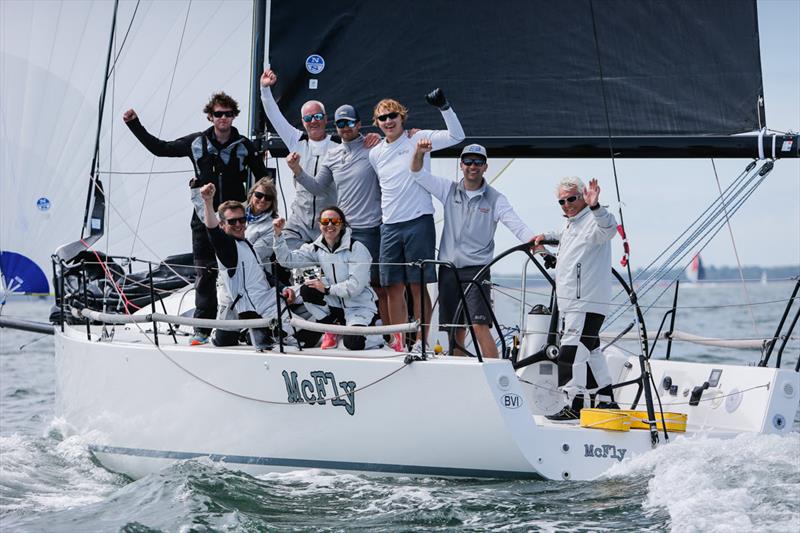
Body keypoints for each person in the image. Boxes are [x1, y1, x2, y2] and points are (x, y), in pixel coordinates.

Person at [122, 92, 267, 346]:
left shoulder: (245, 146)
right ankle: (202, 326)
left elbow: (264, 178)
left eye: (228, 114)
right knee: (205, 272)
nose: (223, 118)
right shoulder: (197, 142)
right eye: (218, 114)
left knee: (238, 271)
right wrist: (134, 124)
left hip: (233, 223)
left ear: (234, 116)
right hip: (204, 218)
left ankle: (242, 319)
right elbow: (161, 148)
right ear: (210, 117)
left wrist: (259, 208)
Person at [411, 140, 535, 358]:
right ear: (461, 165)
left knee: (479, 327)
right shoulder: (448, 189)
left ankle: (496, 375)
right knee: (453, 329)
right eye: (468, 161)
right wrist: (419, 152)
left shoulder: (496, 199)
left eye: (478, 162)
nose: (473, 166)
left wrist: (535, 242)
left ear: (485, 166)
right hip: (448, 269)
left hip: (477, 270)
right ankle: (458, 377)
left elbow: (516, 224)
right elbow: (418, 174)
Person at [369, 89, 465, 352]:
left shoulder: (419, 138)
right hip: (389, 225)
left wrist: (444, 107)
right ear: (376, 123)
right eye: (382, 118)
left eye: (392, 116)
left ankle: (422, 341)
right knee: (391, 286)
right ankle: (398, 341)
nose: (388, 121)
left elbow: (458, 136)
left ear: (402, 117)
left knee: (417, 283)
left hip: (418, 221)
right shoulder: (374, 153)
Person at [286, 104, 388, 323]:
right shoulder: (332, 155)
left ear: (359, 124)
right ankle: (346, 322)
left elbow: (396, 143)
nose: (345, 127)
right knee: (342, 278)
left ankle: (385, 332)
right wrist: (297, 170)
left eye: (350, 122)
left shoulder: (373, 148)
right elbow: (316, 187)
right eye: (340, 123)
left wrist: (404, 135)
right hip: (345, 231)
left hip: (370, 228)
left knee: (376, 283)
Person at [533, 177, 619, 421]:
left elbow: (609, 228)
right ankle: (605, 400)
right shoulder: (573, 224)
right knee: (591, 350)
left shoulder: (593, 219)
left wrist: (595, 206)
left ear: (583, 196)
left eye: (572, 199)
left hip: (585, 302)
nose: (567, 204)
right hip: (574, 302)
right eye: (562, 201)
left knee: (570, 351)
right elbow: (561, 235)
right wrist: (543, 238)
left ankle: (575, 404)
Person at [199, 183, 294, 350]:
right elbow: (213, 232)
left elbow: (262, 273)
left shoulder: (246, 244)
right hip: (245, 308)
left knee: (309, 296)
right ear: (223, 225)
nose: (238, 224)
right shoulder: (228, 247)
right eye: (232, 221)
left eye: (242, 220)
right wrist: (208, 201)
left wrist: (282, 288)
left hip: (264, 302)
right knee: (225, 341)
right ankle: (223, 334)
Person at [272, 206, 380, 351]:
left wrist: (327, 289)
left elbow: (355, 287)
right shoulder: (315, 248)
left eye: (334, 221)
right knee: (307, 290)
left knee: (353, 343)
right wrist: (278, 235)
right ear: (319, 225)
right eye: (325, 221)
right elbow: (287, 260)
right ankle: (333, 328)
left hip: (358, 307)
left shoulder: (357, 248)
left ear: (342, 224)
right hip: (335, 306)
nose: (330, 225)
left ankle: (387, 337)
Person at [259, 68, 339, 250]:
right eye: (308, 118)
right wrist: (265, 89)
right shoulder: (296, 140)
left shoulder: (339, 145)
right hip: (300, 219)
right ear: (303, 122)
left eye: (318, 116)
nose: (314, 121)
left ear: (325, 119)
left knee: (328, 263)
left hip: (328, 220)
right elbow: (274, 115)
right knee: (283, 250)